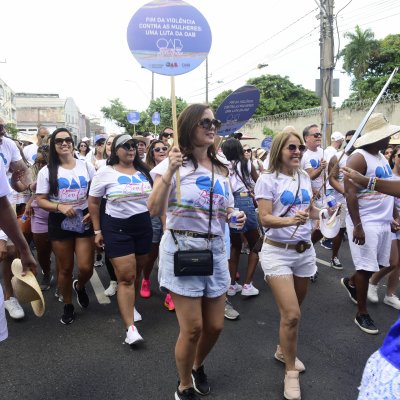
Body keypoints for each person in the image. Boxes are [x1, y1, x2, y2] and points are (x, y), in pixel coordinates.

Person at [147, 104, 245, 400]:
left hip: (216, 248)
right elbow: (152, 209)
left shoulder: (221, 166)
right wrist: (171, 171)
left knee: (214, 326)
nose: (212, 126)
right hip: (182, 247)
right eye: (205, 121)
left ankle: (197, 364)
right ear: (189, 126)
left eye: (214, 121)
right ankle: (183, 384)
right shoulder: (171, 164)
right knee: (192, 328)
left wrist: (234, 215)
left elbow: (226, 205)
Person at [255, 129, 326, 400]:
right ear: (279, 151)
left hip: (304, 252)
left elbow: (308, 211)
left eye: (299, 148)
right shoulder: (267, 179)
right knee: (293, 314)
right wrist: (289, 221)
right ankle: (290, 372)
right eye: (291, 148)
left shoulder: (304, 177)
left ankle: (282, 349)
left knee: (292, 314)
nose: (297, 152)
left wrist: (325, 213)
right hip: (277, 253)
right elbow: (264, 218)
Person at [88, 133, 153, 344]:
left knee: (136, 274)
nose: (131, 148)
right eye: (126, 145)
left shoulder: (145, 171)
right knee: (125, 277)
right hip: (117, 228)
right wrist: (97, 231)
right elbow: (94, 202)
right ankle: (130, 330)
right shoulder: (105, 172)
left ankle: (130, 305)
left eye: (134, 145)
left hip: (143, 226)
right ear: (115, 150)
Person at [341, 113, 400, 335]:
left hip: (384, 221)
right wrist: (357, 225)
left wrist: (393, 215)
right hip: (366, 221)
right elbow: (350, 194)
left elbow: (388, 190)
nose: (390, 140)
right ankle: (362, 313)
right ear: (377, 136)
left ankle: (351, 282)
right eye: (387, 136)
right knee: (366, 268)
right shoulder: (358, 157)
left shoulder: (381, 158)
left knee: (392, 261)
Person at [36, 128, 96, 325]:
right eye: (59, 141)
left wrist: (91, 212)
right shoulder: (47, 171)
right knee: (65, 268)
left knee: (86, 267)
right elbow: (40, 200)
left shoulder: (86, 166)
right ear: (53, 145)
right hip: (59, 221)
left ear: (73, 142)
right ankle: (68, 305)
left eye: (68, 140)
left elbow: (95, 194)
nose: (64, 143)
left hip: (83, 219)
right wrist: (59, 206)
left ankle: (79, 286)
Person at [0, 159, 37, 342]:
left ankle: (9, 296)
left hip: (16, 211)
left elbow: (3, 205)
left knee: (10, 251)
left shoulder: (11, 155)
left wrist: (24, 250)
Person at [0, 118, 33, 320]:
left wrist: (26, 185)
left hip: (6, 207)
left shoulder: (8, 144)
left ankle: (9, 296)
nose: (2, 131)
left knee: (10, 253)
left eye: (2, 126)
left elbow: (22, 172)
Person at [221, 138, 260, 298]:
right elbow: (259, 181)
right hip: (244, 200)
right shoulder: (246, 163)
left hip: (229, 203)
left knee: (235, 245)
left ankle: (231, 285)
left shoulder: (222, 166)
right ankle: (247, 284)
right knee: (256, 245)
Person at [141, 140, 174, 310]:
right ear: (152, 153)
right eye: (157, 149)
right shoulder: (148, 172)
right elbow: (154, 205)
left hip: (173, 215)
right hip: (155, 216)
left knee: (170, 256)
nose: (161, 151)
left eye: (164, 148)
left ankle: (170, 292)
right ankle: (145, 280)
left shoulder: (176, 168)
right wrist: (163, 223)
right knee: (152, 253)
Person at [366, 146, 400, 309]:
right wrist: (394, 218)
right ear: (393, 158)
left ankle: (390, 295)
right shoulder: (388, 177)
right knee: (392, 261)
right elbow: (383, 200)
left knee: (398, 263)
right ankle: (372, 282)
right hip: (389, 222)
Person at [24, 145, 56, 292]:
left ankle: (62, 282)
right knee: (42, 252)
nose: (40, 164)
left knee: (61, 253)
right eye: (38, 161)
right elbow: (34, 192)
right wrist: (30, 203)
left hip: (57, 216)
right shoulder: (34, 171)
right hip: (39, 217)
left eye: (44, 162)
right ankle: (47, 273)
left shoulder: (61, 170)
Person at [327, 130, 355, 269]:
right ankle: (334, 257)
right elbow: (331, 179)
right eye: (348, 141)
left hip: (359, 201)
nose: (351, 143)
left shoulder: (363, 157)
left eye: (354, 140)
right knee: (337, 229)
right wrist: (345, 192)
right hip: (341, 200)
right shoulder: (337, 157)